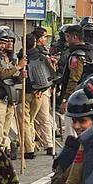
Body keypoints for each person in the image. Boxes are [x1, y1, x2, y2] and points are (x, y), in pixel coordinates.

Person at [23, 29, 57, 159]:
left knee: (27, 121)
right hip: (41, 93)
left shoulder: (21, 58)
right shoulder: (42, 56)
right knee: (43, 118)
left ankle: (29, 148)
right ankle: (49, 145)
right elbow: (51, 75)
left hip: (25, 93)